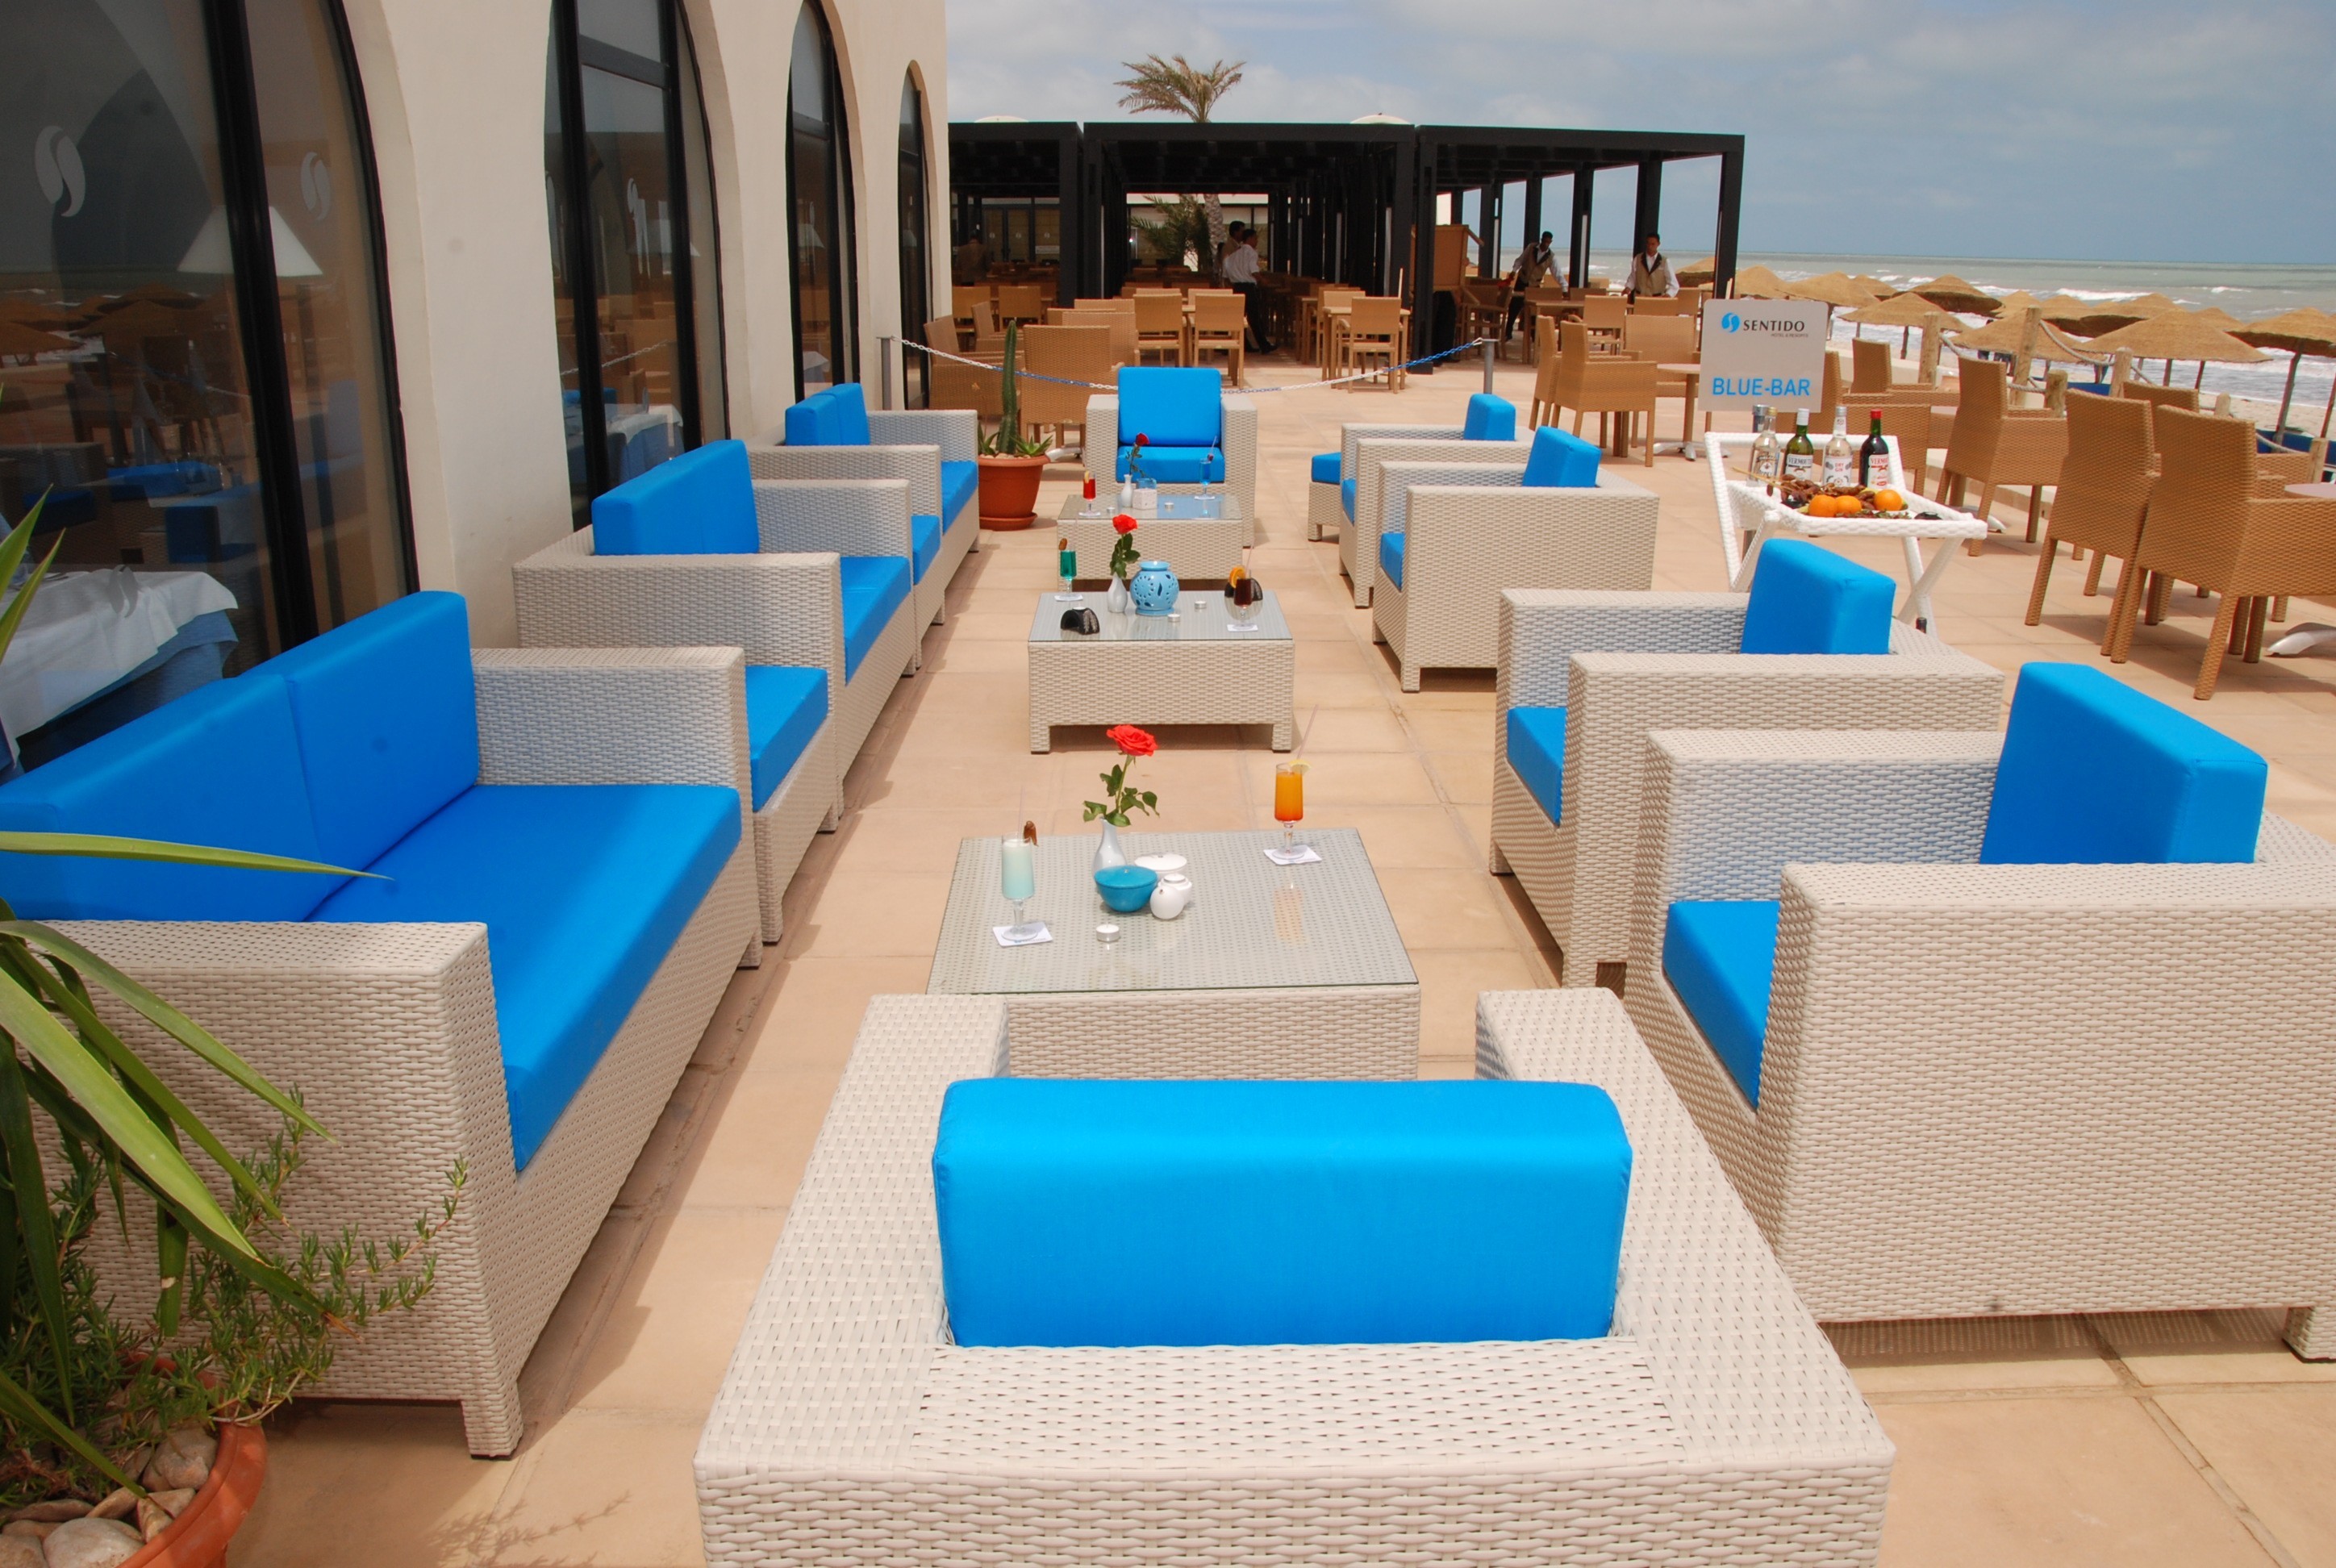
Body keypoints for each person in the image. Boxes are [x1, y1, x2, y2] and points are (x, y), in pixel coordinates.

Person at [1221, 222, 1274, 354]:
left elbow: (1226, 274)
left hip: (1237, 287)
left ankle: (1232, 345)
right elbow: (1254, 271)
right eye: (1255, 238)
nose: (1257, 241)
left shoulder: (1234, 255)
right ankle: (1264, 345)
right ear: (1250, 239)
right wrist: (1263, 280)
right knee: (1254, 318)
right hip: (1249, 288)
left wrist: (1233, 283)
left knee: (1237, 317)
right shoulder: (1251, 253)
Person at [1505, 230, 1555, 340]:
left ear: (1551, 242)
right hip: (1522, 281)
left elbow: (1557, 272)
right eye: (1545, 242)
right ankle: (1508, 333)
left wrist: (1564, 288)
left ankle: (1534, 335)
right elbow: (1520, 260)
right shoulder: (1531, 248)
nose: (1546, 244)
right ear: (1541, 240)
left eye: (1548, 242)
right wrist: (1514, 271)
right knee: (1514, 308)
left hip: (1534, 285)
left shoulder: (1551, 256)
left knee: (1534, 311)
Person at [1628, 231, 1676, 298]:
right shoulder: (1638, 259)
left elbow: (1673, 283)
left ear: (1658, 244)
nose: (1650, 246)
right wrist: (1628, 287)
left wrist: (1668, 294)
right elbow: (1633, 277)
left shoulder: (1665, 261)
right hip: (1640, 298)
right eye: (1648, 243)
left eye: (1653, 244)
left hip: (1657, 299)